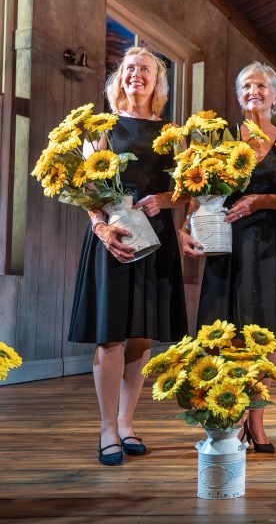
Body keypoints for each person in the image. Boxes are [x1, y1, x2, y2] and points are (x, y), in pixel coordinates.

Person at [68, 46, 189, 466]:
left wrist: (165, 200)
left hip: (155, 239)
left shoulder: (172, 133)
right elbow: (84, 188)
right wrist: (100, 228)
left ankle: (126, 422)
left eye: (146, 70)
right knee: (110, 333)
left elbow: (187, 190)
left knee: (142, 334)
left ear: (158, 83)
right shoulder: (102, 127)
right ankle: (105, 428)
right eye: (129, 69)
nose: (136, 75)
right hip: (112, 239)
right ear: (119, 79)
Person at [181, 62, 276, 453]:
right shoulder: (219, 140)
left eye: (262, 85)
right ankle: (229, 417)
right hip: (226, 246)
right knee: (224, 331)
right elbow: (195, 188)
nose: (254, 90)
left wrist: (261, 201)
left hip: (272, 246)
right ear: (238, 97)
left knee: (264, 334)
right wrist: (186, 227)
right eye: (247, 86)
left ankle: (257, 418)